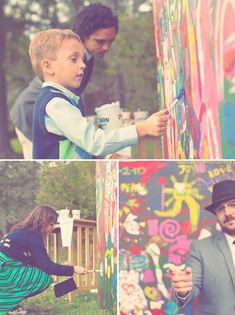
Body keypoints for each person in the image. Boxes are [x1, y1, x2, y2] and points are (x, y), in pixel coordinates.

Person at [30, 29, 168, 159]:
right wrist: (142, 129)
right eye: (74, 59)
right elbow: (93, 142)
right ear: (48, 67)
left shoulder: (64, 100)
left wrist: (109, 157)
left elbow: (79, 144)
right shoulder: (55, 104)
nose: (83, 65)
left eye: (82, 59)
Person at [10, 3, 119, 159]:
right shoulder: (68, 57)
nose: (106, 47)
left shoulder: (85, 57)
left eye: (110, 41)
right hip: (28, 115)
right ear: (83, 35)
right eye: (100, 41)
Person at [0, 204, 87, 315]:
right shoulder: (33, 236)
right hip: (3, 269)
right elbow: (47, 266)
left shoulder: (21, 231)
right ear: (42, 222)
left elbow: (36, 262)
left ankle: (11, 305)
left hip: (5, 266)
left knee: (35, 272)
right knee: (43, 278)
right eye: (51, 224)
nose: (53, 228)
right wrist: (74, 269)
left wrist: (56, 267)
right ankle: (6, 305)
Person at [170, 179, 235, 315]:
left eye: (232, 205)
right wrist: (183, 292)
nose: (227, 212)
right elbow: (191, 290)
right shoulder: (200, 248)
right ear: (216, 215)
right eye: (220, 208)